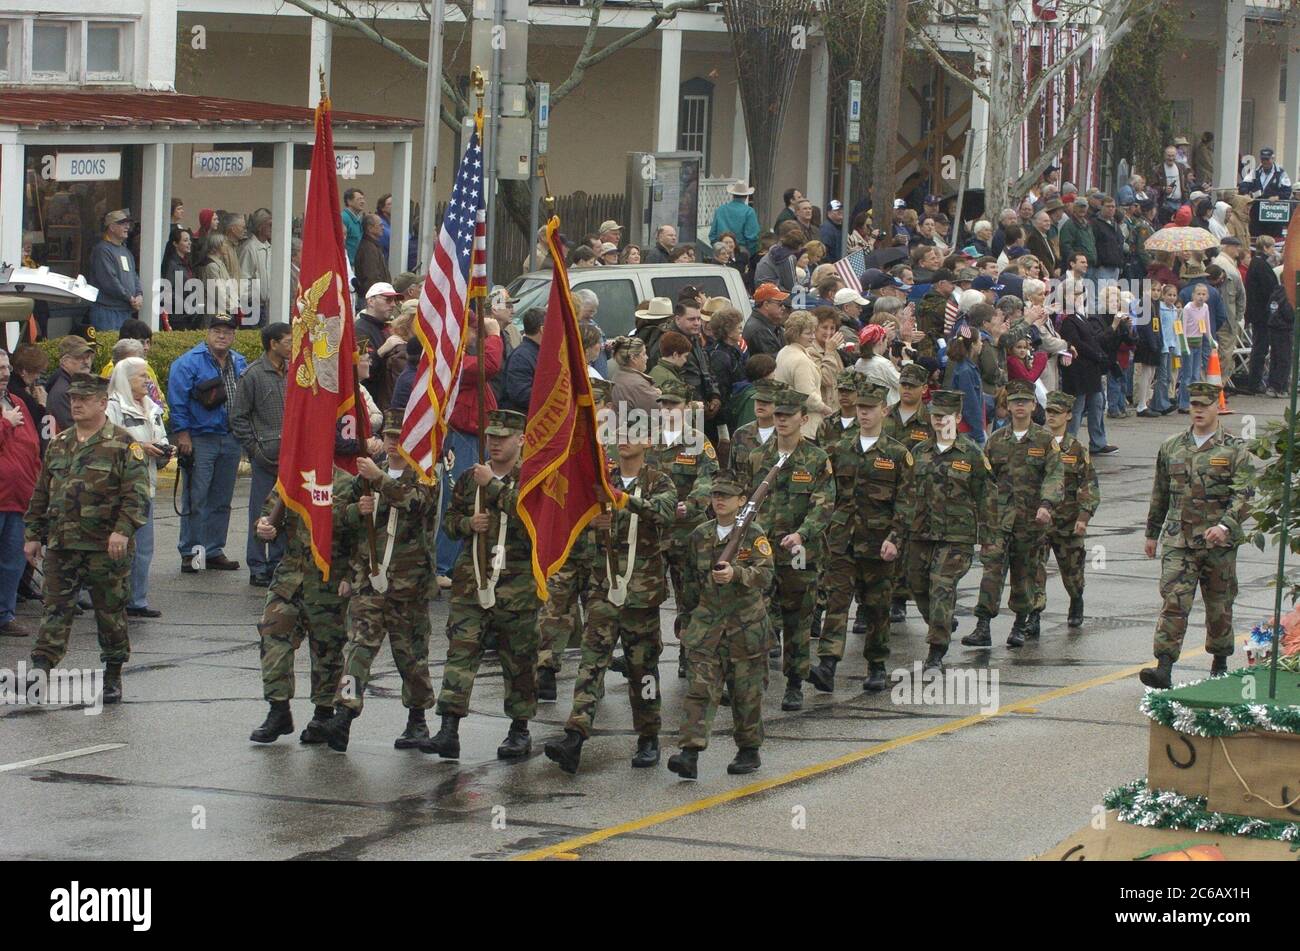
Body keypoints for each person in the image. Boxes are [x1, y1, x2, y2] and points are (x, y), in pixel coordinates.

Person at [543, 428, 677, 774]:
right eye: (619, 434)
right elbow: (575, 523)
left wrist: (620, 501)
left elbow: (663, 514)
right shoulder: (604, 478)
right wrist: (593, 520)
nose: (624, 440)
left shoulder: (658, 480)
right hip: (603, 588)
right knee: (591, 664)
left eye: (633, 434)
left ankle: (648, 735)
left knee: (642, 670)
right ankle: (575, 736)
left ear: (647, 442)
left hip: (641, 595)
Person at [423, 410, 541, 760]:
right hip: (471, 579)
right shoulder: (469, 478)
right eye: (491, 437)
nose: (495, 443)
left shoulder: (532, 477)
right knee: (461, 651)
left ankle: (519, 729)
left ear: (520, 439)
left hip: (516, 583)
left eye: (503, 437)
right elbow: (448, 523)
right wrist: (466, 524)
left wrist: (493, 484)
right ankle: (448, 728)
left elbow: (530, 518)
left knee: (518, 659)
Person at [24, 375, 149, 704]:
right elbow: (42, 491)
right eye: (73, 399)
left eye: (84, 399)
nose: (76, 404)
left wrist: (122, 530)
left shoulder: (123, 444)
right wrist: (33, 533)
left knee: (110, 613)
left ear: (101, 403)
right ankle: (39, 674)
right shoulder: (60, 443)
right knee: (54, 610)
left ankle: (112, 674)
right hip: (63, 545)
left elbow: (136, 496)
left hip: (104, 547)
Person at [320, 409, 438, 752]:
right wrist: (359, 509)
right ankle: (343, 714)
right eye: (388, 437)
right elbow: (341, 516)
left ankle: (418, 719)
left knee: (411, 655)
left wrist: (381, 482)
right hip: (370, 579)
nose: (392, 444)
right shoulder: (370, 474)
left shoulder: (424, 475)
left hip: (409, 583)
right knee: (357, 649)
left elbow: (417, 505)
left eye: (399, 438)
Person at [1139, 382, 1254, 688]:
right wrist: (1152, 532)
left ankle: (1219, 662)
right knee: (1174, 601)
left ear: (1218, 407)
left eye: (1205, 405)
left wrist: (1226, 525)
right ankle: (1164, 666)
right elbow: (1160, 492)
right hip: (1179, 540)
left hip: (1219, 543)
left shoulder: (1234, 448)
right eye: (1194, 406)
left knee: (1219, 605)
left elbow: (1244, 494)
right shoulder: (1172, 446)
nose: (1199, 411)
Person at [666, 470, 775, 780]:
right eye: (715, 495)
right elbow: (687, 581)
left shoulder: (754, 535)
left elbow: (766, 575)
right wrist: (686, 620)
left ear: (742, 501)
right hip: (707, 626)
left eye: (726, 496)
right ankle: (689, 753)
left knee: (746, 694)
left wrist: (738, 574)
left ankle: (749, 749)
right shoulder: (700, 534)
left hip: (745, 628)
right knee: (700, 690)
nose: (719, 501)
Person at [810, 382, 909, 694]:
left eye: (870, 408)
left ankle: (877, 664)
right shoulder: (839, 449)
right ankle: (827, 664)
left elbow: (907, 502)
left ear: (884, 410)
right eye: (860, 408)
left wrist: (895, 538)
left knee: (877, 607)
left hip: (878, 544)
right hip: (842, 541)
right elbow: (826, 494)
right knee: (836, 602)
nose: (863, 413)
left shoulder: (896, 454)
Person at [247, 468, 353, 745]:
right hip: (289, 579)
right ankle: (279, 710)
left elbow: (361, 538)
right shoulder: (290, 480)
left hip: (328, 582)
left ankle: (323, 714)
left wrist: (352, 575)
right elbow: (269, 520)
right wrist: (264, 528)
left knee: (326, 651)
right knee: (272, 637)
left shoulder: (347, 484)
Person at [896, 389, 998, 672]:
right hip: (920, 533)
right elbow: (907, 494)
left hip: (956, 536)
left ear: (958, 417)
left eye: (945, 416)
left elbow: (986, 496)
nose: (939, 421)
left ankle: (936, 652)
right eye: (935, 416)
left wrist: (988, 538)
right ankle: (942, 621)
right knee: (917, 586)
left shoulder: (972, 454)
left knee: (941, 585)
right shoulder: (919, 452)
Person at [747, 385, 834, 711]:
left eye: (788, 415)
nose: (781, 420)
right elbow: (745, 502)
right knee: (756, 617)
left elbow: (823, 505)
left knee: (797, 620)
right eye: (778, 415)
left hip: (799, 552)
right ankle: (752, 683)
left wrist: (803, 533)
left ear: (803, 418)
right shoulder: (758, 456)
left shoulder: (816, 458)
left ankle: (795, 683)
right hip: (763, 552)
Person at [962, 379, 1062, 648]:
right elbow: (984, 479)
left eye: (1025, 402)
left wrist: (1046, 504)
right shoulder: (996, 441)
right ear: (1007, 406)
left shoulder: (1044, 440)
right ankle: (983, 624)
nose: (1019, 406)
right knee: (992, 571)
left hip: (1030, 520)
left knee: (1024, 572)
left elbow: (1054, 475)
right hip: (999, 520)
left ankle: (1020, 623)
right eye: (1014, 402)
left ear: (1033, 405)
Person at [168, 314, 248, 573]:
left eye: (227, 331)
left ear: (233, 335)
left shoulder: (239, 361)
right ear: (208, 333)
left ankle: (213, 550)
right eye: (217, 330)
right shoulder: (188, 362)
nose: (222, 335)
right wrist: (182, 435)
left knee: (222, 498)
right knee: (197, 497)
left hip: (231, 437)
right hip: (201, 438)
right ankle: (191, 552)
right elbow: (177, 402)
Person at [105, 357, 169, 620]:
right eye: (141, 376)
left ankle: (137, 600)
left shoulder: (152, 407)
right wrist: (139, 448)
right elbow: (107, 444)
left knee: (144, 548)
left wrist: (164, 448)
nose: (147, 380)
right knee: (118, 548)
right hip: (121, 489)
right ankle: (111, 599)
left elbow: (161, 435)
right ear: (125, 379)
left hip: (147, 486)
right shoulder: (112, 408)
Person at [231, 322, 291, 587]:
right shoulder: (252, 375)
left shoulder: (296, 372)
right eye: (288, 341)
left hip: (291, 455)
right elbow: (238, 418)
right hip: (265, 456)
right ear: (273, 344)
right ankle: (257, 564)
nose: (292, 346)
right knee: (260, 508)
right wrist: (254, 450)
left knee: (286, 509)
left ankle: (277, 561)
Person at [1036, 390, 1100, 628]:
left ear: (1068, 416)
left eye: (1056, 412)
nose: (1051, 416)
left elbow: (1088, 485)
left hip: (1067, 522)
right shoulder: (1036, 444)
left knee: (1072, 573)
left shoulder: (1076, 449)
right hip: (1039, 521)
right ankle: (1034, 614)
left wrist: (1084, 517)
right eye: (1048, 412)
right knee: (1034, 571)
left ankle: (1076, 600)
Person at [0, 350, 40, 637]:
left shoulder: (17, 403)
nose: (3, 373)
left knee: (13, 561)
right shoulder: (10, 414)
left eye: (5, 367)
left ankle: (5, 614)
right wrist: (5, 424)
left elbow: (32, 448)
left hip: (18, 498)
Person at [774, 311, 834, 439]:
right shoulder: (801, 360)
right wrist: (826, 409)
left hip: (786, 421)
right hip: (805, 426)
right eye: (808, 333)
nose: (813, 337)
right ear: (795, 334)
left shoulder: (784, 352)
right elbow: (807, 396)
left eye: (813, 332)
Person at [87, 210, 143, 331]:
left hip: (125, 311)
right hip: (107, 311)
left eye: (128, 224)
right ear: (111, 227)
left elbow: (134, 276)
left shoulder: (126, 251)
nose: (127, 227)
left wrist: (139, 294)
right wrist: (130, 298)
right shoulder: (102, 250)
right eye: (122, 223)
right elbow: (109, 281)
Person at [46, 336, 96, 434]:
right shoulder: (62, 391)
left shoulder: (72, 385)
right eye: (79, 358)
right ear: (65, 361)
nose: (86, 362)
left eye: (88, 357)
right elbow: (72, 430)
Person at [501, 306, 543, 414]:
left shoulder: (538, 353)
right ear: (542, 330)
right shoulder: (521, 357)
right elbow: (521, 394)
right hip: (522, 423)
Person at [9, 344, 49, 456]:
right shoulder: (21, 395)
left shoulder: (11, 384)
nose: (38, 377)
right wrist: (42, 403)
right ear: (24, 371)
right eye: (37, 372)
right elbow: (37, 421)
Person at [609, 335, 659, 417]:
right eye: (644, 354)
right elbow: (659, 410)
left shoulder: (618, 376)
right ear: (633, 358)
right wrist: (659, 395)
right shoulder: (638, 385)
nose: (647, 357)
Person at [239, 209, 273, 325]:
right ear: (260, 227)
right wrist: (252, 299)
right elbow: (244, 277)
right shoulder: (249, 248)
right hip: (252, 305)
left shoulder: (269, 247)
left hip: (267, 305)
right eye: (269, 225)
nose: (272, 228)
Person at [163, 227, 200, 329]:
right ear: (175, 243)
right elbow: (168, 290)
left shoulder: (186, 263)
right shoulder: (172, 265)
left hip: (189, 313)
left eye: (189, 240)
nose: (189, 243)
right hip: (178, 315)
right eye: (185, 240)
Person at [710, 181, 759, 256]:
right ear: (746, 196)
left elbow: (712, 235)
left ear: (733, 195)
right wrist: (751, 253)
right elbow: (752, 237)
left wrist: (717, 248)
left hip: (721, 250)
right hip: (741, 251)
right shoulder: (749, 211)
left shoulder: (720, 210)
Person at [743, 283, 790, 356]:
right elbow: (774, 362)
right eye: (779, 304)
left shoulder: (771, 324)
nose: (783, 308)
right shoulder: (759, 330)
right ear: (766, 305)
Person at [342, 188, 366, 264]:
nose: (363, 202)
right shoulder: (344, 218)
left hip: (357, 263)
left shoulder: (359, 218)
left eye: (363, 199)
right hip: (348, 264)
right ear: (349, 201)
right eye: (359, 199)